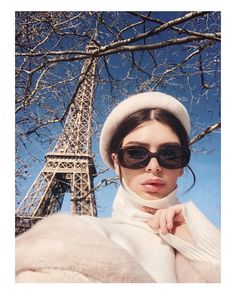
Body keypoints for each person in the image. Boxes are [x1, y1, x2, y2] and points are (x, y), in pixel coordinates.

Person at [15, 91, 220, 283]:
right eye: (136, 154)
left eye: (170, 155)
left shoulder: (203, 239)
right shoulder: (77, 236)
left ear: (182, 166)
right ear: (116, 163)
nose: (154, 167)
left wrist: (203, 241)